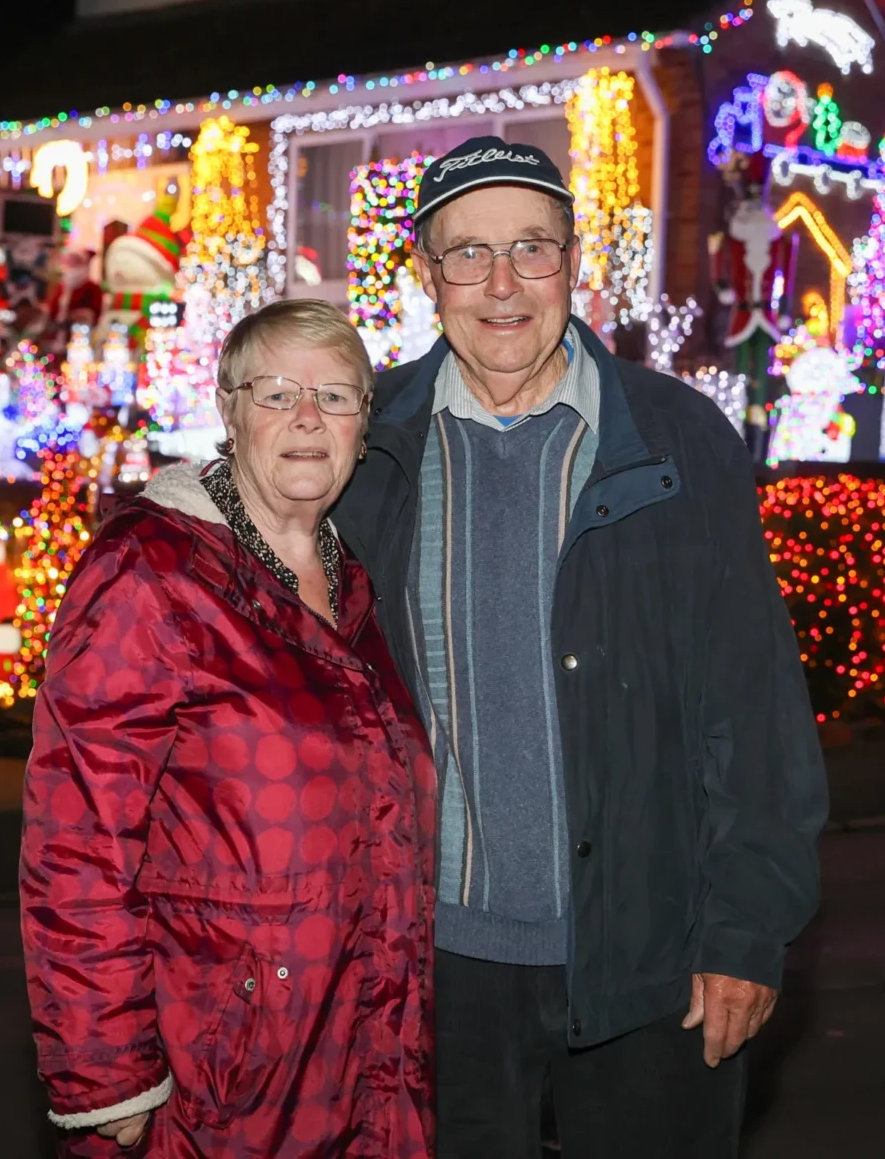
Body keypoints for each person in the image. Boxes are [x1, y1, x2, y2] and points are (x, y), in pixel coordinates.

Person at [332, 136, 829, 1158]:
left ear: (571, 260)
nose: (501, 284)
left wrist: (746, 931)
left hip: (652, 959)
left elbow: (755, 706)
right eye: (468, 254)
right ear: (426, 274)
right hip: (433, 970)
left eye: (531, 248)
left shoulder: (677, 438)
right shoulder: (368, 445)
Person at [21, 300, 436, 1157]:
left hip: (366, 1055)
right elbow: (77, 838)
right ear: (227, 408)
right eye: (276, 392)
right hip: (217, 1077)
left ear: (363, 425)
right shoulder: (151, 570)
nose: (308, 417)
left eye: (336, 396)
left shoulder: (356, 583)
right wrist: (106, 1071)